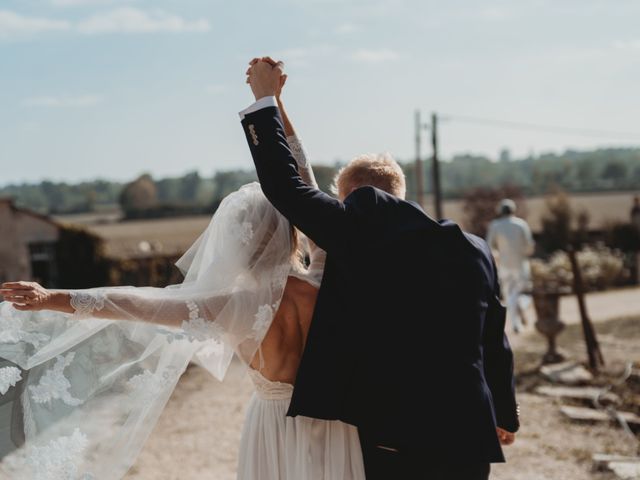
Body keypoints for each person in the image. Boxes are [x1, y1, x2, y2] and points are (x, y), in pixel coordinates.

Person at [0, 80, 365, 479]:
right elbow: (303, 182)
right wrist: (274, 102)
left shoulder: (234, 306)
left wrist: (50, 296)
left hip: (274, 425)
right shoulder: (323, 278)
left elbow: (138, 305)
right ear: (296, 229)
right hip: (335, 419)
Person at [242, 57, 519, 480]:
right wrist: (504, 412)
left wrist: (264, 99)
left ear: (353, 198)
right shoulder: (473, 249)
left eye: (339, 201)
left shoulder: (362, 233)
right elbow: (494, 341)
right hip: (468, 435)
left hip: (395, 435)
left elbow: (290, 189)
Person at [486, 199, 535, 334]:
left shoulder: (495, 225)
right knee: (523, 292)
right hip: (520, 264)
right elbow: (529, 245)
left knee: (510, 295)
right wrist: (524, 254)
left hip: (504, 265)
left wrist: (497, 257)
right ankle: (519, 313)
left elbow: (489, 246)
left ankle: (516, 322)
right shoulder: (521, 224)